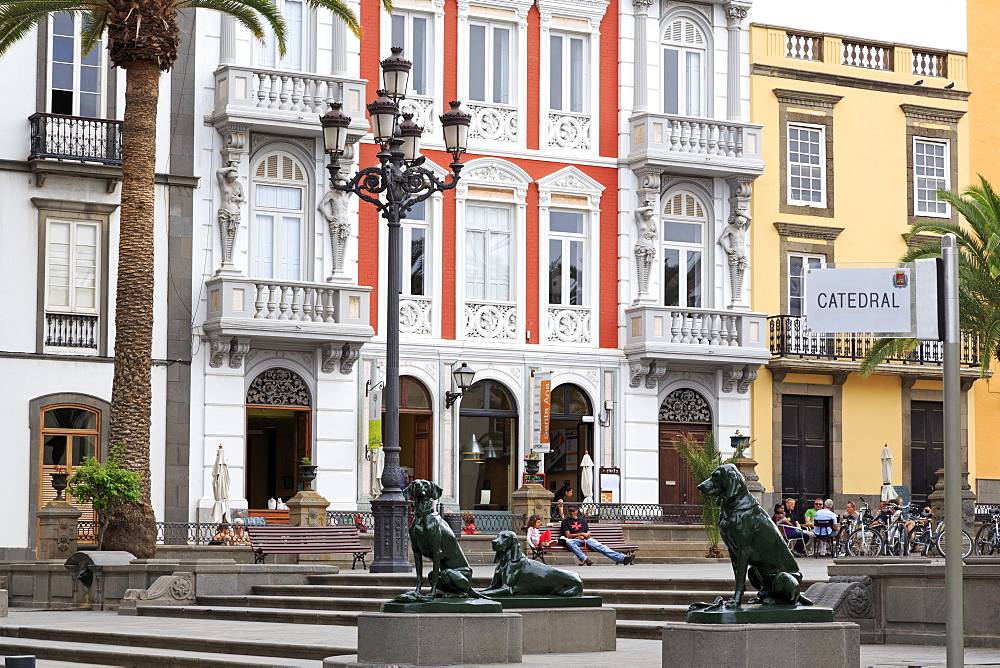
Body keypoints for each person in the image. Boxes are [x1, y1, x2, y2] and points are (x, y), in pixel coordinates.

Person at [559, 505, 635, 566]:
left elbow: (588, 532)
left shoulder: (582, 520)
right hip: (574, 540)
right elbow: (568, 535)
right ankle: (585, 559)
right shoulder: (565, 521)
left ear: (577, 511)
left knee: (602, 547)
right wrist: (580, 534)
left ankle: (622, 558)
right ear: (568, 511)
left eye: (573, 511)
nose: (572, 513)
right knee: (569, 542)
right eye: (570, 511)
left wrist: (585, 535)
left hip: (585, 539)